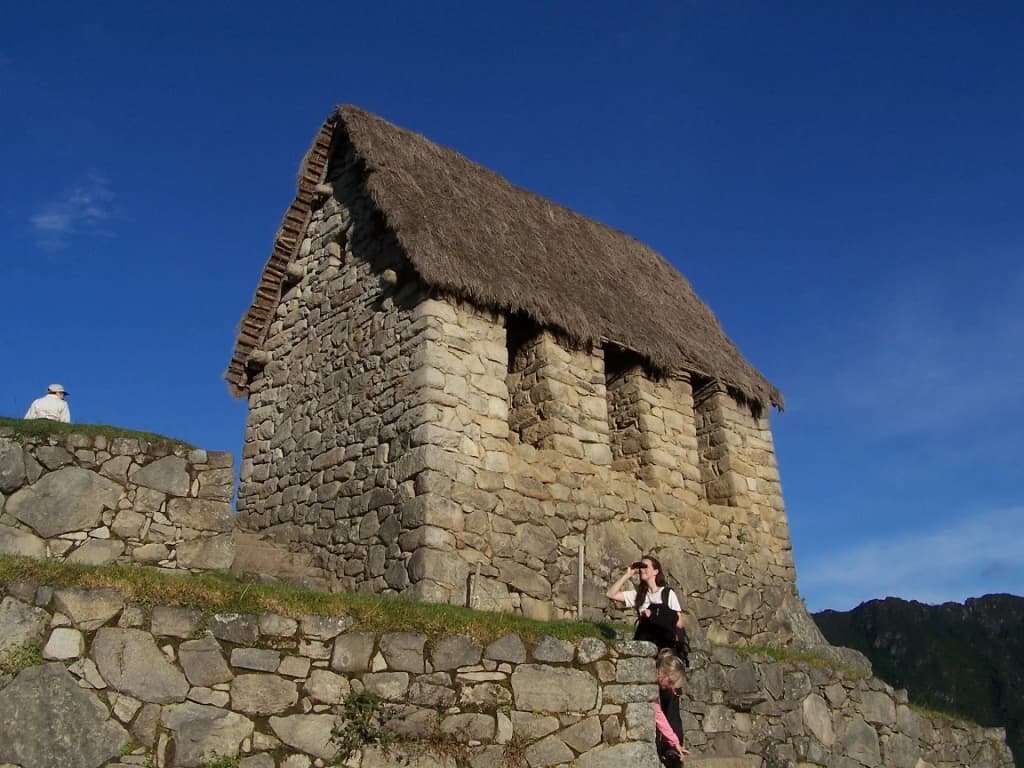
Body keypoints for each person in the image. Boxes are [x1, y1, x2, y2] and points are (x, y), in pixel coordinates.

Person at [606, 555, 685, 650]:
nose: (641, 570)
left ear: (656, 571)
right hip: (645, 643)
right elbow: (610, 594)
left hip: (664, 644)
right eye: (640, 567)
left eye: (645, 567)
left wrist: (655, 615)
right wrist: (627, 575)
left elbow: (679, 623)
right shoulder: (639, 595)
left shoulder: (667, 593)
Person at [654, 648, 689, 767]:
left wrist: (675, 742)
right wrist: (674, 741)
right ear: (662, 673)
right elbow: (658, 714)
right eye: (670, 682)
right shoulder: (650, 683)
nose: (670, 687)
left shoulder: (658, 683)